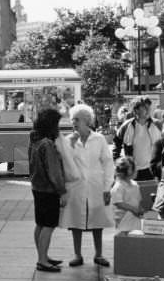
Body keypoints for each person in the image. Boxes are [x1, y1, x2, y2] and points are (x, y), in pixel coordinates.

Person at [58, 104, 114, 267]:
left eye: (77, 119)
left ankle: (99, 254)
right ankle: (77, 255)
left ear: (87, 121)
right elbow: (64, 163)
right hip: (76, 186)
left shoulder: (99, 139)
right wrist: (71, 145)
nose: (73, 122)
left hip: (96, 185)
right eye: (72, 119)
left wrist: (107, 187)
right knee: (76, 220)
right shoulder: (69, 140)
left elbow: (108, 163)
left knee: (97, 219)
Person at [29, 108, 67, 272]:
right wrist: (62, 191)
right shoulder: (48, 144)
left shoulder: (35, 140)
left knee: (40, 224)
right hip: (48, 189)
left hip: (37, 187)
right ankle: (42, 260)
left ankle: (42, 255)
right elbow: (54, 171)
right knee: (49, 225)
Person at [113, 96, 163, 181]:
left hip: (152, 171)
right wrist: (119, 163)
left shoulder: (158, 125)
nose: (148, 111)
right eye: (145, 108)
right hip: (133, 171)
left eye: (149, 108)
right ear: (136, 110)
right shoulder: (126, 126)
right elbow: (116, 145)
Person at [110, 156, 144, 234]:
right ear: (129, 171)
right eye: (135, 169)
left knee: (135, 234)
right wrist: (133, 209)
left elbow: (138, 200)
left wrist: (140, 208)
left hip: (134, 216)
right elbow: (118, 203)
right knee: (124, 235)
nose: (137, 170)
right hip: (122, 218)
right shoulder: (119, 186)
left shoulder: (135, 184)